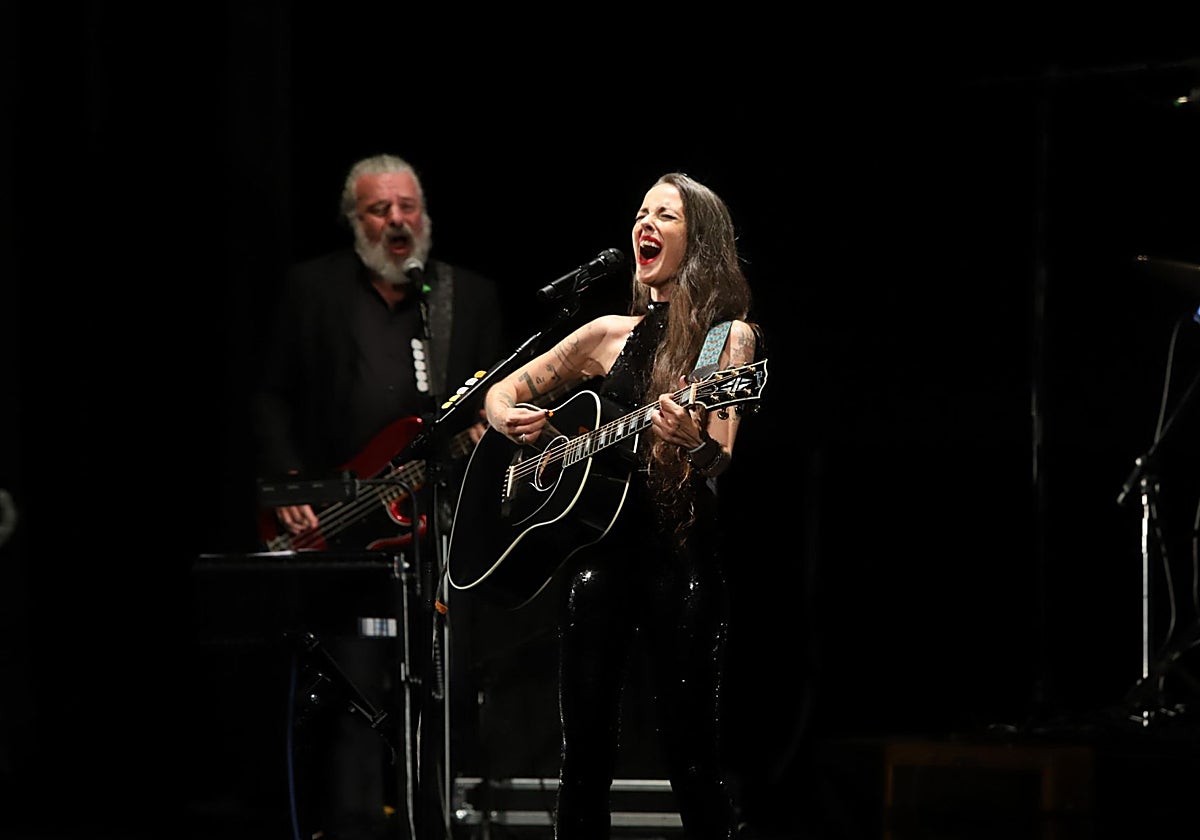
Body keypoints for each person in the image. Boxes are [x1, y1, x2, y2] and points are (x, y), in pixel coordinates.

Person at [478, 172, 762, 839]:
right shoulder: (607, 332)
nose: (647, 223)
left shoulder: (730, 341)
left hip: (680, 557)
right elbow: (501, 391)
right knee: (582, 758)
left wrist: (690, 440)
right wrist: (507, 419)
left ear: (700, 240)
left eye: (666, 214)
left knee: (692, 757)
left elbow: (719, 459)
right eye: (641, 212)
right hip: (597, 558)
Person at [250, 153, 505, 840]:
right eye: (379, 209)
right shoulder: (311, 290)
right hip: (343, 534)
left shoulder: (467, 298)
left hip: (438, 540)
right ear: (354, 220)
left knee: (442, 705)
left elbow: (499, 405)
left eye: (407, 207)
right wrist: (294, 489)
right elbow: (270, 396)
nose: (397, 221)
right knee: (355, 704)